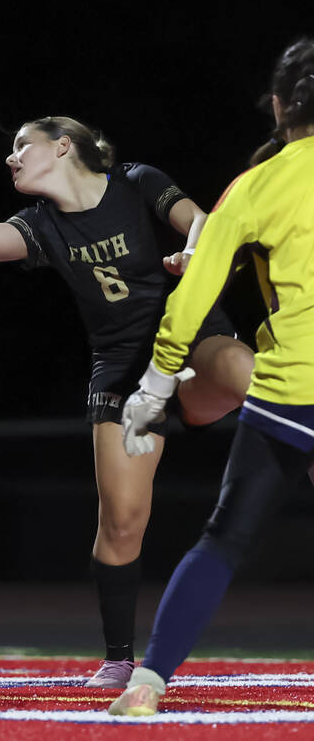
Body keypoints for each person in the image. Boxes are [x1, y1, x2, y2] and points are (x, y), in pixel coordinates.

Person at [0, 117, 254, 688]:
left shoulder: (136, 181)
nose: (10, 158)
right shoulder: (42, 225)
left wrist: (192, 255)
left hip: (188, 343)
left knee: (241, 369)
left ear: (62, 146)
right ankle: (118, 657)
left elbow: (202, 223)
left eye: (21, 146)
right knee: (121, 521)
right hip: (121, 373)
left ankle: (294, 438)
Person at [110, 38, 314, 716]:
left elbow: (194, 294)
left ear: (280, 105)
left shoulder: (258, 184)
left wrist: (155, 387)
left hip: (291, 391)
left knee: (225, 537)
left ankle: (148, 681)